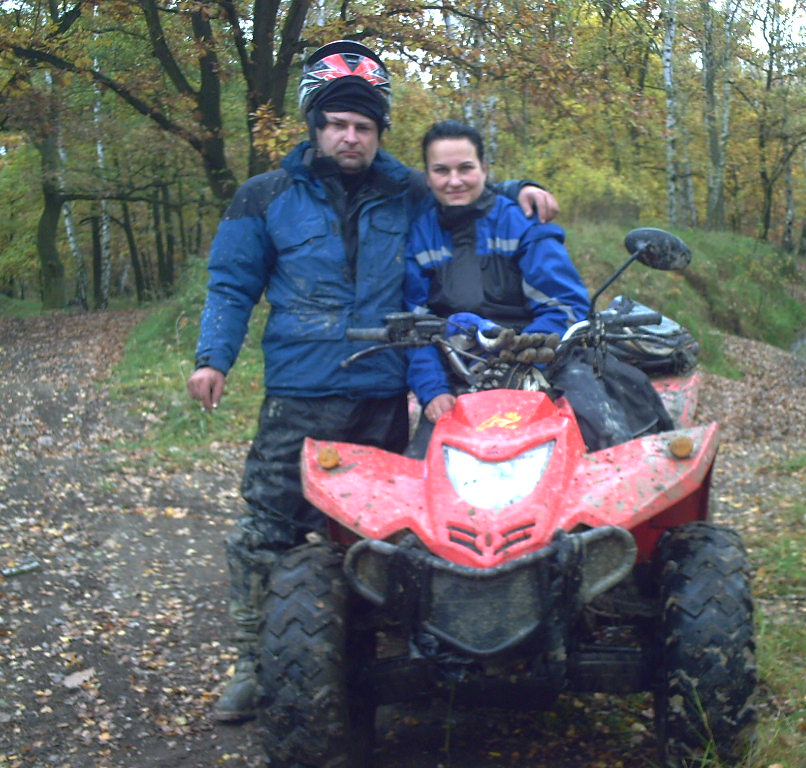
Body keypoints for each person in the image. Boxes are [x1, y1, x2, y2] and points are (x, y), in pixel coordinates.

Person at [187, 42, 560, 724]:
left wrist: (520, 188)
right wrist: (213, 358)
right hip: (298, 393)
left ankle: (368, 655)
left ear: (379, 131)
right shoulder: (263, 196)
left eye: (363, 125)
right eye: (336, 123)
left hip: (382, 396)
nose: (350, 136)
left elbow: (465, 189)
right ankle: (252, 663)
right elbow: (231, 284)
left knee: (385, 536)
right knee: (268, 529)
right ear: (315, 125)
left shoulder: (406, 189)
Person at [403, 120, 590, 456]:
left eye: (465, 168)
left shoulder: (523, 221)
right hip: (456, 371)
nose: (454, 180)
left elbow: (564, 305)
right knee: (420, 465)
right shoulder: (419, 233)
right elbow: (416, 324)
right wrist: (432, 390)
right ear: (427, 177)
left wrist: (518, 366)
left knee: (599, 430)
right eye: (442, 171)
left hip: (539, 365)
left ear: (484, 170)